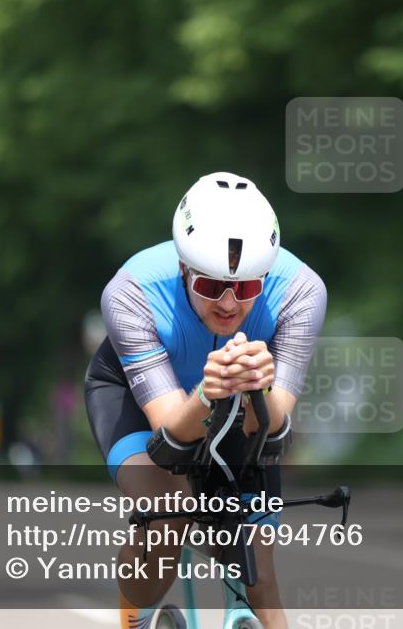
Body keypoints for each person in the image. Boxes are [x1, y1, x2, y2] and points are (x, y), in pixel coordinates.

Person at [85, 172, 327, 629]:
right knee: (171, 513)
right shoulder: (130, 292)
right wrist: (205, 391)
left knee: (258, 569)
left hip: (241, 399)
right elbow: (171, 436)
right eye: (212, 287)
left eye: (248, 288)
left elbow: (274, 427)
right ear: (183, 267)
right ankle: (135, 614)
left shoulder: (301, 291)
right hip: (135, 399)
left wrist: (259, 388)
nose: (230, 305)